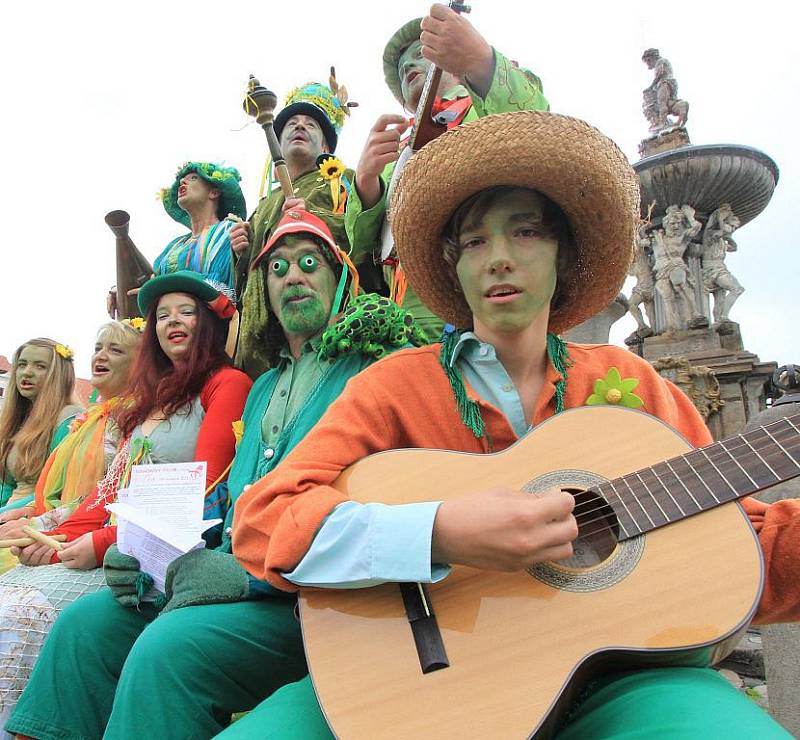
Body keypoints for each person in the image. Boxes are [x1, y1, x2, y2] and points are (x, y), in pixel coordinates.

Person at [222, 111, 800, 737]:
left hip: (627, 684)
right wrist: (437, 533)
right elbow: (262, 520)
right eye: (474, 242)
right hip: (401, 685)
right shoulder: (393, 386)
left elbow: (743, 538)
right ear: (454, 267)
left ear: (563, 257)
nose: (498, 259)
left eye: (525, 233)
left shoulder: (632, 384)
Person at [6, 212, 425, 740]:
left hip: (315, 600)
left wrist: (246, 577)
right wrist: (149, 556)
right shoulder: (263, 384)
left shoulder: (373, 367)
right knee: (85, 626)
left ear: (340, 276)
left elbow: (383, 503)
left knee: (169, 649)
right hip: (229, 576)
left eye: (309, 262)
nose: (292, 275)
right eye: (276, 267)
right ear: (263, 293)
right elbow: (221, 500)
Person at [345, 3, 550, 341]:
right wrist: (366, 185)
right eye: (401, 68)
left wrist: (481, 63)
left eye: (418, 53)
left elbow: (537, 130)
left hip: (491, 297)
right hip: (405, 319)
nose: (408, 65)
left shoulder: (486, 97)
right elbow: (364, 253)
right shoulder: (396, 152)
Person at [0, 320, 142, 732]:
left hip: (87, 538)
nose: (100, 356)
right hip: (56, 526)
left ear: (142, 365)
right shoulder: (91, 419)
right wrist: (32, 519)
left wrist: (35, 522)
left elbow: (99, 496)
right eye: (98, 347)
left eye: (115, 351)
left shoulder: (124, 421)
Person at [232, 80, 357, 378]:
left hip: (315, 321)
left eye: (311, 125)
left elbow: (359, 236)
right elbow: (249, 276)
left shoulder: (340, 181)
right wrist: (243, 250)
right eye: (291, 124)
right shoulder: (264, 204)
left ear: (326, 146)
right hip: (260, 330)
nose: (300, 127)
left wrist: (308, 218)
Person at [0, 339, 82, 518]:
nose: (27, 372)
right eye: (22, 365)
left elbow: (53, 492)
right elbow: (6, 487)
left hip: (35, 521)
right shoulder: (18, 419)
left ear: (59, 375)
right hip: (8, 517)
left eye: (40, 366)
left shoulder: (69, 419)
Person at [155, 161, 248, 289]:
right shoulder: (174, 246)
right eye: (182, 180)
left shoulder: (231, 231)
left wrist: (242, 255)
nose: (183, 182)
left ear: (214, 192)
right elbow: (150, 280)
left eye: (193, 178)